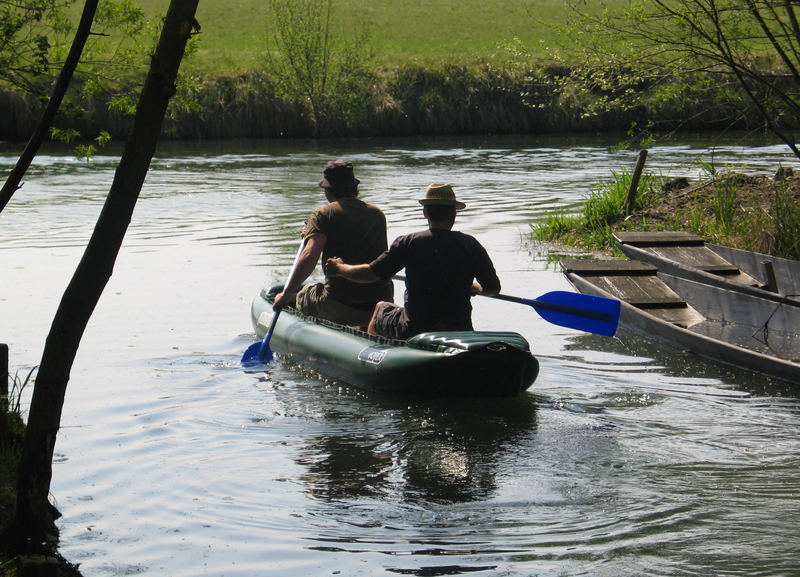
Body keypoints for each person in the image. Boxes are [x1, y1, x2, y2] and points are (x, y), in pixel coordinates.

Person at [324, 182, 500, 339]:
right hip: (460, 329)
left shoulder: (409, 242)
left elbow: (369, 275)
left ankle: (374, 360)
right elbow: (493, 288)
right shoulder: (471, 244)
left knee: (381, 308)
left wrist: (339, 269)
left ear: (425, 213)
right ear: (454, 213)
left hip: (415, 329)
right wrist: (475, 286)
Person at [272, 160, 393, 326]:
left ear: (328, 190)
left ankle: (292, 301)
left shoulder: (322, 214)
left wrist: (285, 295)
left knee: (306, 292)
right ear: (354, 187)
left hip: (340, 305)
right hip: (379, 305)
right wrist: (311, 236)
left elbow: (309, 256)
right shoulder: (377, 214)